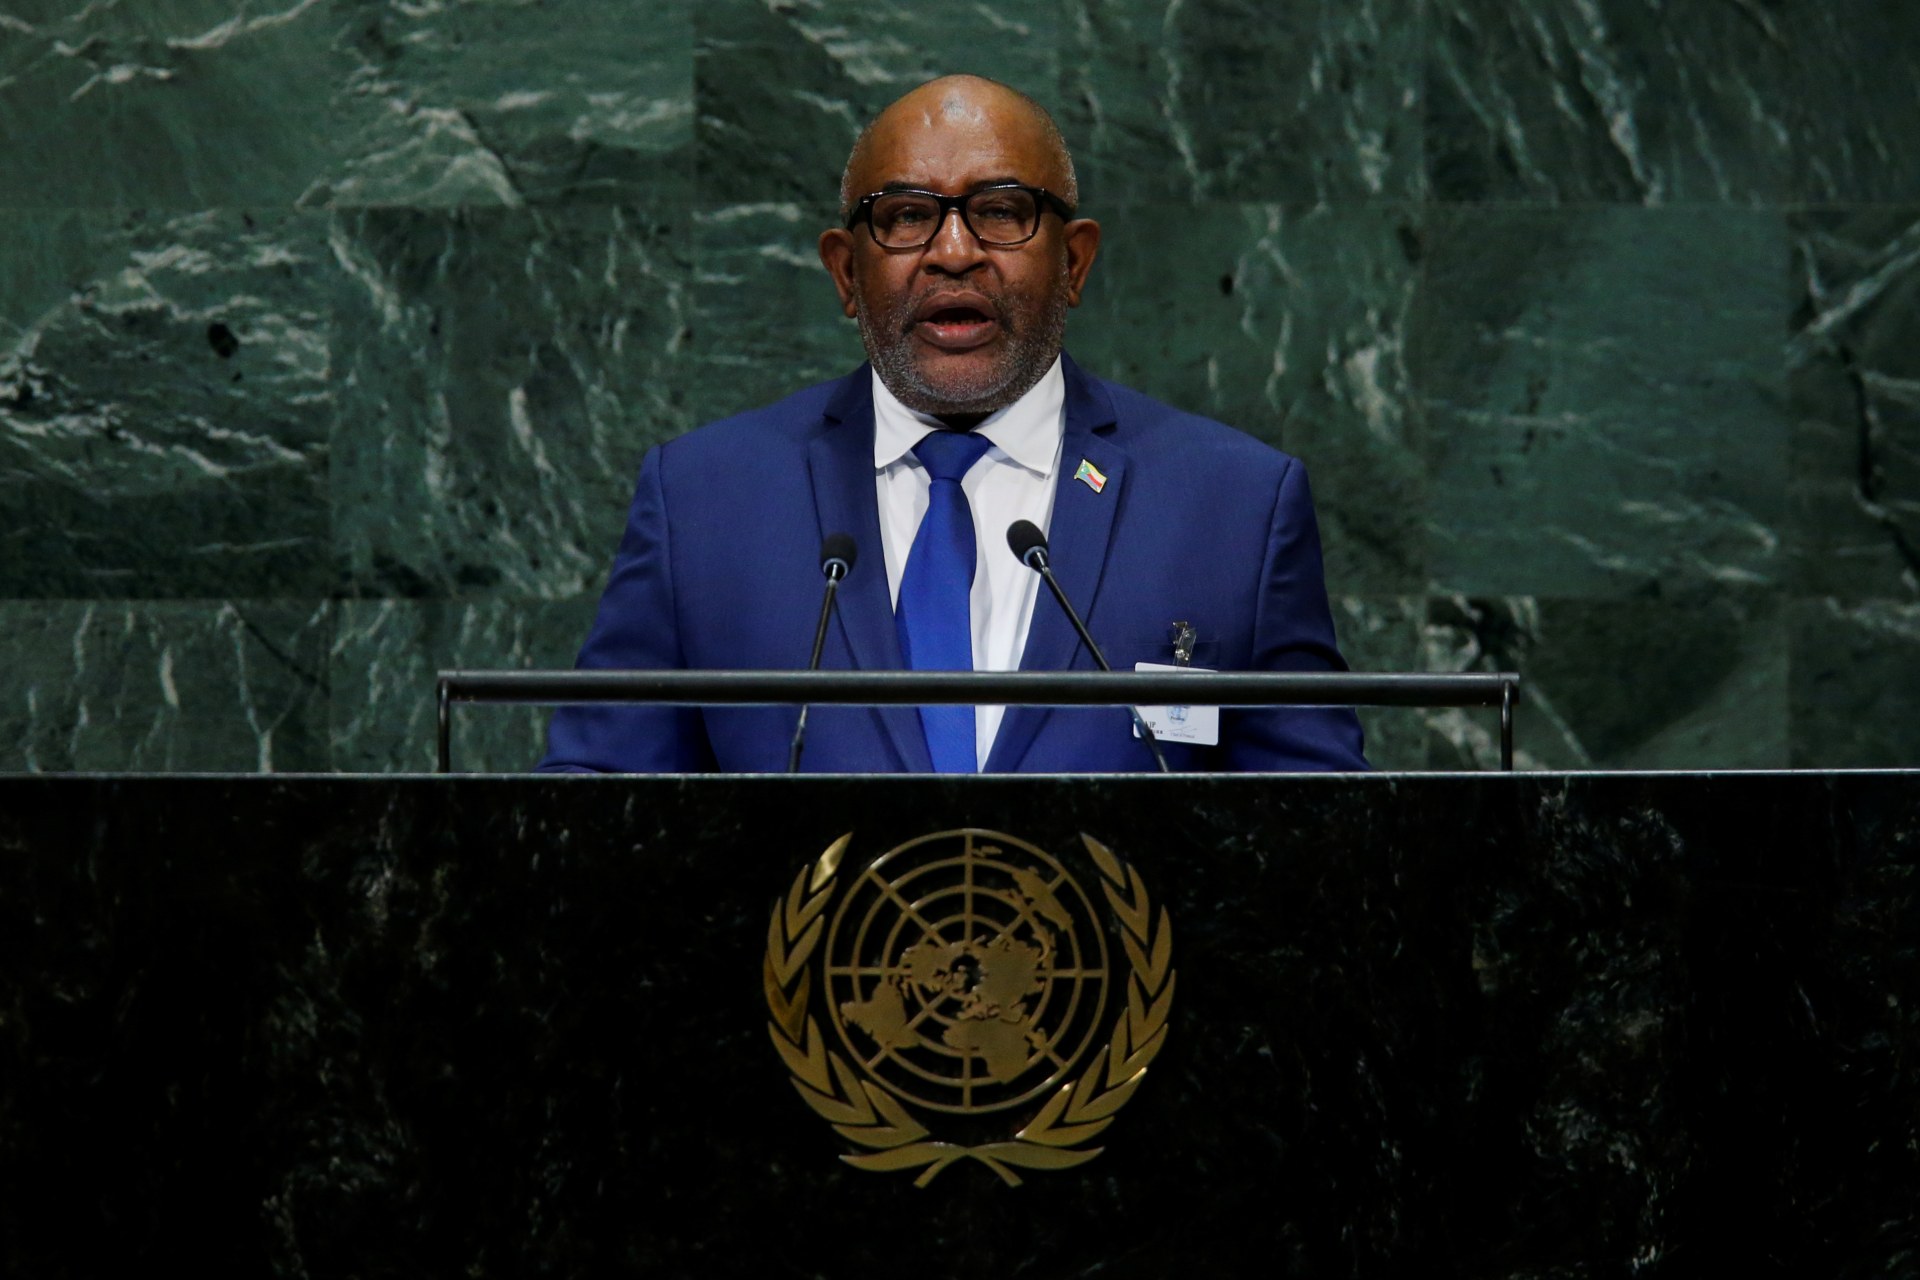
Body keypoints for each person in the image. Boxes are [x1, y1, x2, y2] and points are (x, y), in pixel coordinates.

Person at [539, 75, 1367, 773]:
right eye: (905, 216)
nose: (955, 250)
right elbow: (593, 817)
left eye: (1001, 210)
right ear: (845, 273)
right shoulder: (702, 501)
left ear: (1074, 261)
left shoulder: (1236, 505)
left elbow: (1323, 838)